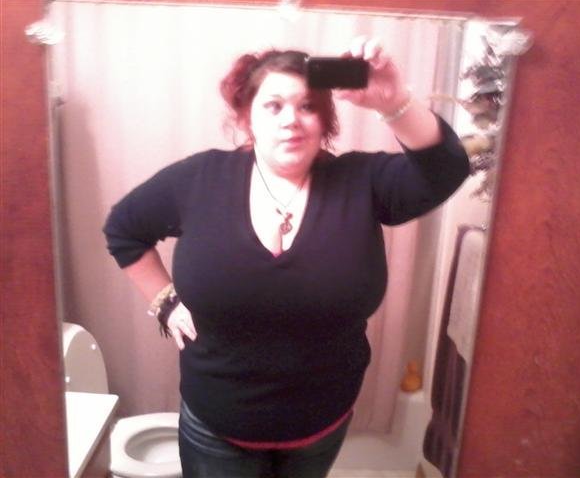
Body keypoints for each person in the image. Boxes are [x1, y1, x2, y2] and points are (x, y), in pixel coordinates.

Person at [103, 36, 470, 478]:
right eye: (274, 106)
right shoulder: (199, 180)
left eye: (307, 106)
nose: (291, 120)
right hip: (216, 428)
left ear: (324, 120)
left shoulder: (361, 182)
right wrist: (164, 300)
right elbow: (123, 230)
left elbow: (447, 169)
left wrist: (393, 101)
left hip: (321, 425)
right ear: (248, 118)